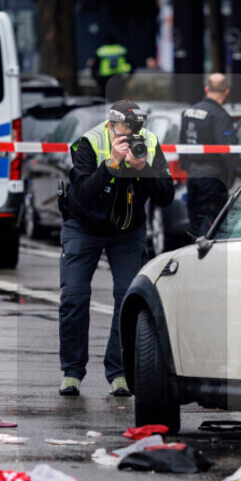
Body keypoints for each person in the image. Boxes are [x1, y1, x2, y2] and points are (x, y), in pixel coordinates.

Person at [57, 100, 174, 397]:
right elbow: (83, 192)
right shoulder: (89, 143)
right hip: (83, 227)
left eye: (135, 129)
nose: (130, 135)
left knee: (128, 297)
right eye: (124, 129)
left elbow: (167, 196)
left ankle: (119, 371)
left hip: (127, 231)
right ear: (110, 126)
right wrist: (111, 164)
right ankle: (72, 372)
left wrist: (143, 168)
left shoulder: (147, 143)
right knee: (74, 296)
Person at [179, 73, 241, 237]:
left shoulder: (188, 112)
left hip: (193, 178)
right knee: (211, 229)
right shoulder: (219, 116)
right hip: (213, 181)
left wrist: (188, 168)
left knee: (195, 227)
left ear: (206, 89)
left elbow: (182, 145)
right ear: (226, 92)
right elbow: (228, 151)